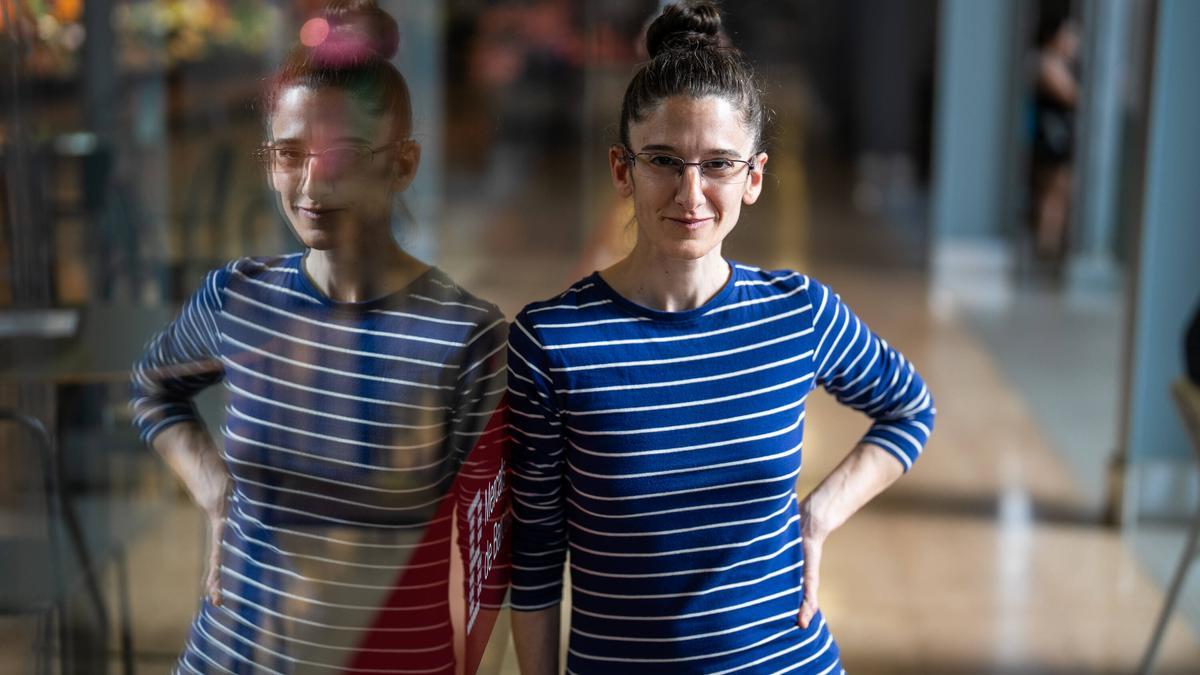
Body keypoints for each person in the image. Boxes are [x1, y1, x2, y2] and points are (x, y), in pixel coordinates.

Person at [506, 3, 936, 673]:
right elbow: (533, 552)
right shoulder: (553, 342)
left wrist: (820, 513)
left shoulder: (798, 313)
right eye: (664, 161)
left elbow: (910, 406)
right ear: (623, 170)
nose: (691, 192)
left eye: (718, 165)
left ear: (754, 177)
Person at [130, 1, 507, 671]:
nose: (310, 184)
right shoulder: (238, 297)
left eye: (342, 155)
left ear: (403, 163)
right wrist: (216, 491)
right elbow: (155, 389)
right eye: (288, 154)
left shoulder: (467, 340)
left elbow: (495, 555)